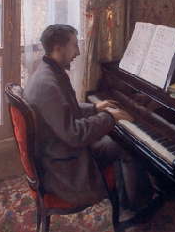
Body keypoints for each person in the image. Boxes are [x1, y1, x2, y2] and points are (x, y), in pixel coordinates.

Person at [23, 24, 156, 223]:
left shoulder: (48, 72)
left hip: (59, 152)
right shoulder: (47, 85)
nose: (77, 52)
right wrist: (110, 117)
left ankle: (127, 204)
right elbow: (75, 134)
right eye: (74, 46)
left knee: (120, 144)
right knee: (128, 147)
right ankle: (140, 205)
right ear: (58, 48)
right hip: (63, 169)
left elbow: (65, 110)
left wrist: (95, 108)